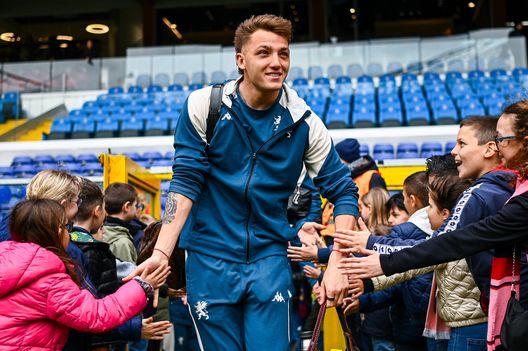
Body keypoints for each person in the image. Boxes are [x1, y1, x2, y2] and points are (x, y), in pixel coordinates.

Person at [125, 14, 359, 351]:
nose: (276, 62)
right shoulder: (204, 106)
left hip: (269, 259)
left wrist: (336, 262)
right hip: (209, 258)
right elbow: (186, 180)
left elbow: (344, 191)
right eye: (264, 53)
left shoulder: (304, 121)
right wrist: (162, 253)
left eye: (284, 53)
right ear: (241, 60)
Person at [341, 100, 528, 351]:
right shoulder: (507, 188)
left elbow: (446, 243)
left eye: (461, 144)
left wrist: (377, 251)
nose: (454, 151)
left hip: (477, 321)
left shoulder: (481, 194)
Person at [0, 199, 170, 350]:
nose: (69, 232)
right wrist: (142, 285)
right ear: (54, 232)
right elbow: (95, 315)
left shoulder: (8, 259)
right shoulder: (48, 279)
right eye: (66, 226)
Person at [70, 178, 172, 349]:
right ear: (97, 211)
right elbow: (95, 311)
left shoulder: (64, 244)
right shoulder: (94, 251)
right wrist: (134, 327)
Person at [103, 182, 141, 263]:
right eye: (136, 205)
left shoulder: (99, 233)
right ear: (127, 207)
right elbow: (129, 274)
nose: (137, 209)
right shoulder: (123, 243)